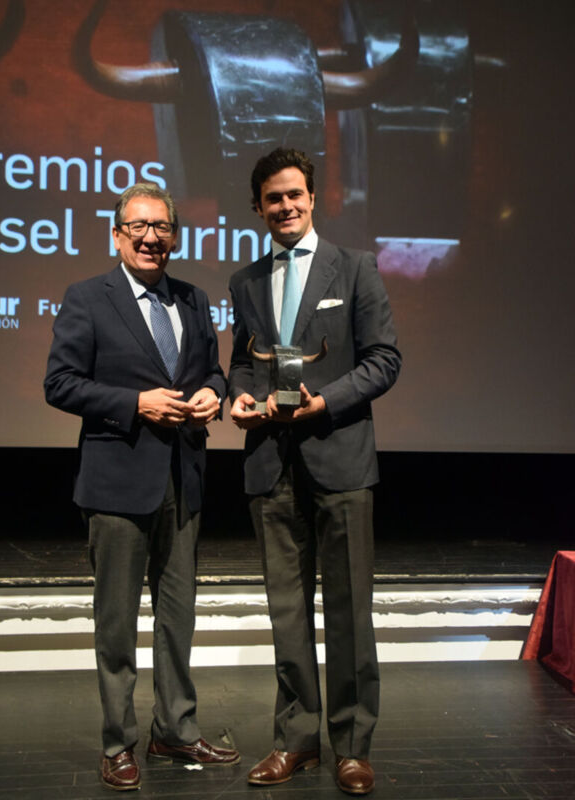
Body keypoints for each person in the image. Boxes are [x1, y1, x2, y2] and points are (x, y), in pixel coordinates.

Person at [44, 183, 239, 791]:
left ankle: (175, 730)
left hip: (184, 480)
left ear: (175, 237)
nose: (151, 237)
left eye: (161, 228)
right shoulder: (87, 298)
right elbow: (60, 384)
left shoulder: (193, 297)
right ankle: (118, 742)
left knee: (178, 618)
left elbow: (211, 369)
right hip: (116, 486)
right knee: (118, 623)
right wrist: (135, 402)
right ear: (117, 234)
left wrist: (216, 392)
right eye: (139, 227)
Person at [228, 148, 401, 796]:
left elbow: (384, 360)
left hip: (340, 458)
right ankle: (295, 740)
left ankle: (351, 746)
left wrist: (328, 401)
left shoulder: (355, 269)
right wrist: (236, 398)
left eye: (295, 195)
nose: (286, 207)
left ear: (312, 197)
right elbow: (244, 363)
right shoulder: (245, 282)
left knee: (351, 612)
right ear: (257, 206)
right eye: (273, 198)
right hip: (271, 463)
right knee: (287, 613)